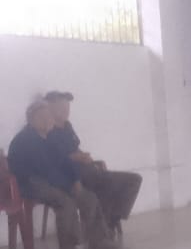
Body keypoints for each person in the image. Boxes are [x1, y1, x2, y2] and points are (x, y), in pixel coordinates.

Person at [7, 100, 113, 249]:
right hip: (30, 183)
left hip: (50, 180)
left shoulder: (49, 137)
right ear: (30, 119)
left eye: (48, 116)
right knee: (65, 201)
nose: (46, 119)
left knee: (88, 197)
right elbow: (43, 170)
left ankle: (98, 239)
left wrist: (75, 181)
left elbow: (64, 161)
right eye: (41, 116)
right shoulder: (26, 139)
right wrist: (68, 186)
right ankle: (67, 247)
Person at [45, 91, 143, 236]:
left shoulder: (67, 126)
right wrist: (79, 157)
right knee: (109, 184)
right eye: (63, 108)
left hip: (87, 170)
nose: (67, 112)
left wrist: (89, 159)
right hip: (71, 176)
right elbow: (57, 158)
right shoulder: (47, 130)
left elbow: (75, 147)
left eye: (68, 108)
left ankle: (111, 220)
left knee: (134, 180)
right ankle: (102, 227)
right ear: (51, 108)